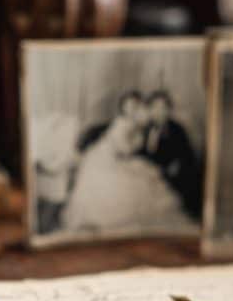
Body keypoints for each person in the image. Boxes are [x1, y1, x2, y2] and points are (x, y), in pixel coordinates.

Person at [62, 92, 189, 232]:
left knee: (143, 179)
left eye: (135, 107)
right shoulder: (123, 123)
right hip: (110, 157)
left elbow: (159, 152)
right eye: (128, 107)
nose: (132, 110)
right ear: (123, 109)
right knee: (120, 182)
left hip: (133, 159)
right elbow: (121, 146)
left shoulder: (155, 126)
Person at [140, 90, 202, 218]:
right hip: (150, 173)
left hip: (172, 174)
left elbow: (186, 155)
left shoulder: (177, 129)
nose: (159, 112)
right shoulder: (145, 128)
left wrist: (175, 166)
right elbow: (141, 153)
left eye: (163, 108)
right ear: (150, 110)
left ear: (169, 110)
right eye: (155, 107)